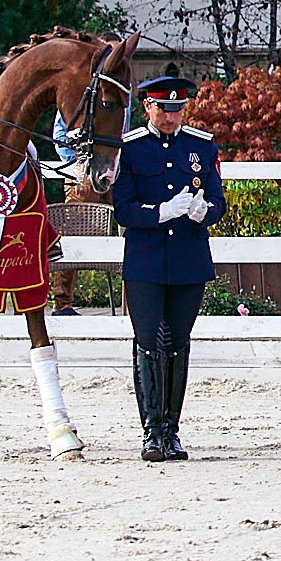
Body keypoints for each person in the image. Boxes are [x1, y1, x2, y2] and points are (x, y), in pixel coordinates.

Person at [109, 73, 227, 462]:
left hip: (188, 258)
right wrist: (160, 212)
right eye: (164, 110)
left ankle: (171, 432)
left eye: (177, 110)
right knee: (148, 343)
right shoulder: (131, 149)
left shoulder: (201, 146)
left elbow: (218, 201)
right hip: (146, 259)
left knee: (177, 344)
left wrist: (205, 211)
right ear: (148, 107)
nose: (171, 117)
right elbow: (123, 208)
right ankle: (151, 432)